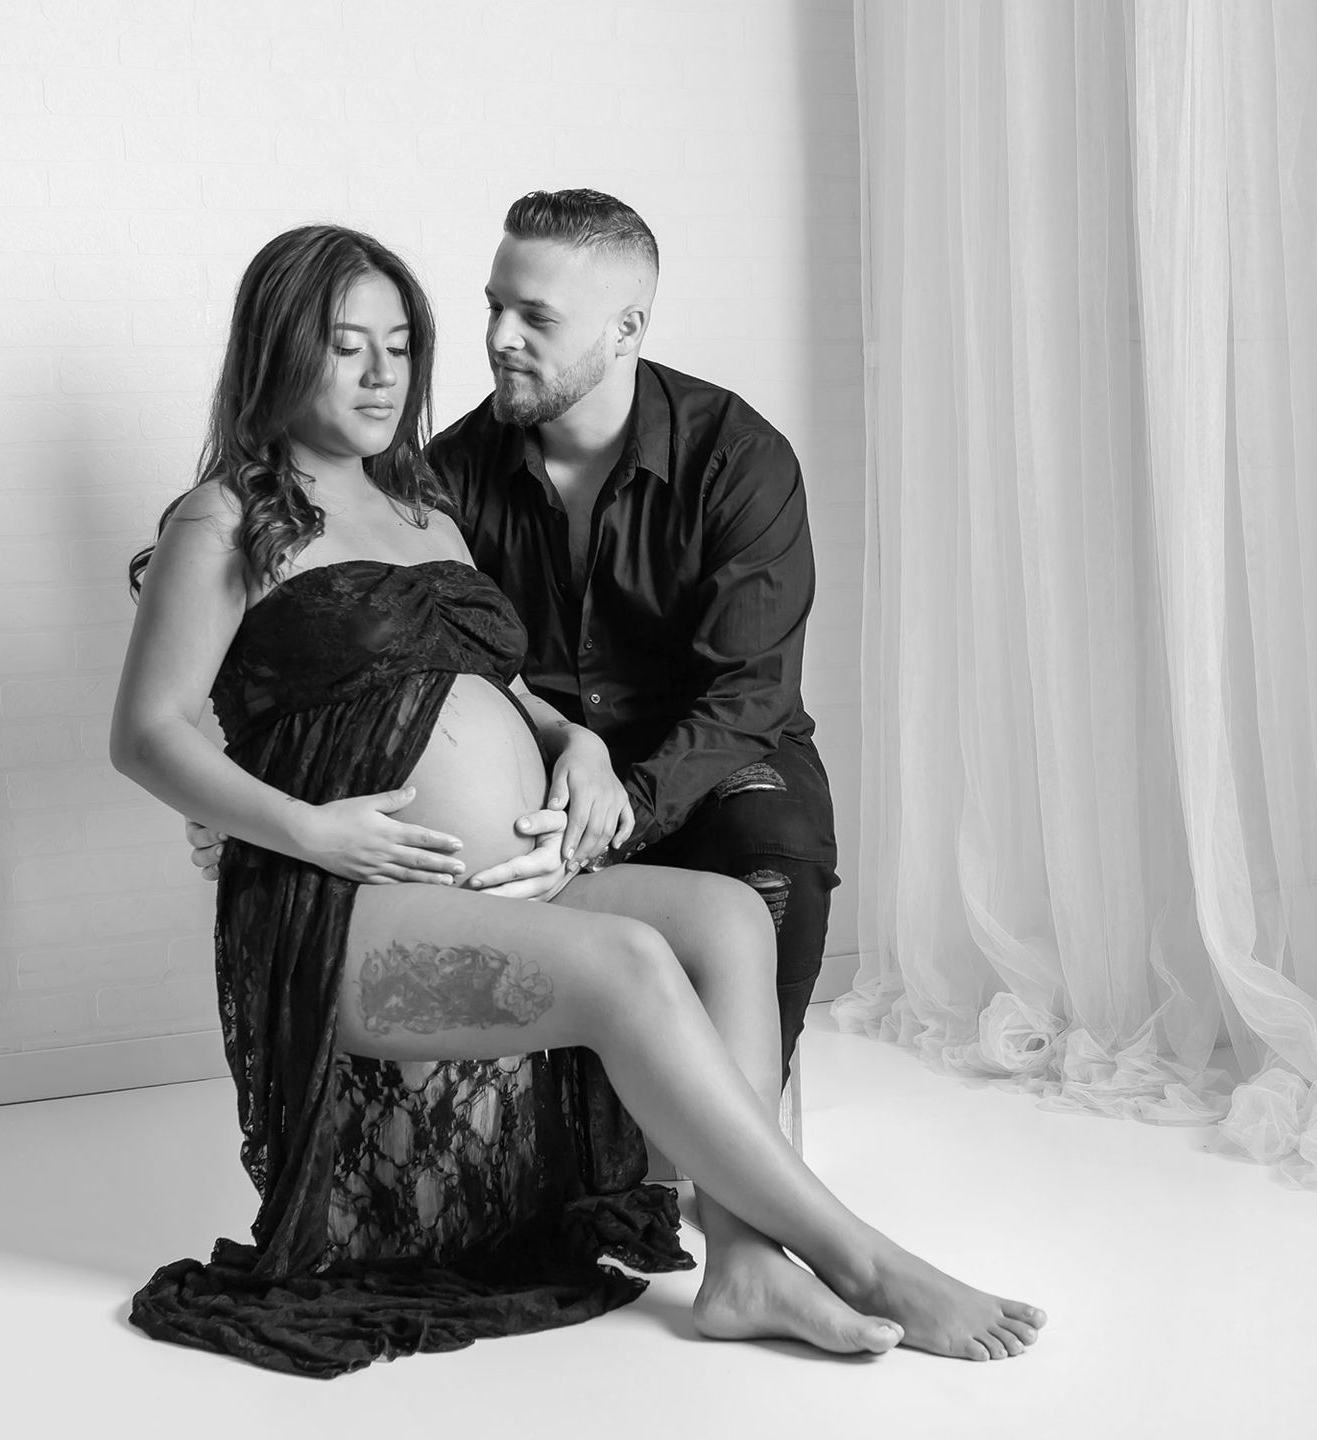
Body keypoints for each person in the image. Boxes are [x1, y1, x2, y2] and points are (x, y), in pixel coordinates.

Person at [112, 223, 1041, 1375]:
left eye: (399, 345)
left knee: (727, 918)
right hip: (348, 917)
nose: (381, 373)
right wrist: (306, 826)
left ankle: (745, 1262)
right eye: (345, 346)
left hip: (501, 887)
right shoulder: (226, 520)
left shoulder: (423, 509)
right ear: (277, 352)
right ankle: (860, 1256)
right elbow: (147, 733)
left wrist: (579, 743)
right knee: (633, 963)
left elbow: (497, 684)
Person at [191, 190, 837, 1083]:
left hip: (704, 752)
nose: (499, 337)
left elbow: (748, 696)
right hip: (540, 770)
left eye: (536, 317)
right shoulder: (443, 479)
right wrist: (257, 798)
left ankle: (737, 1122)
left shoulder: (738, 460)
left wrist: (611, 816)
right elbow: (351, 654)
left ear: (625, 329)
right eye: (495, 306)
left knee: (771, 855)